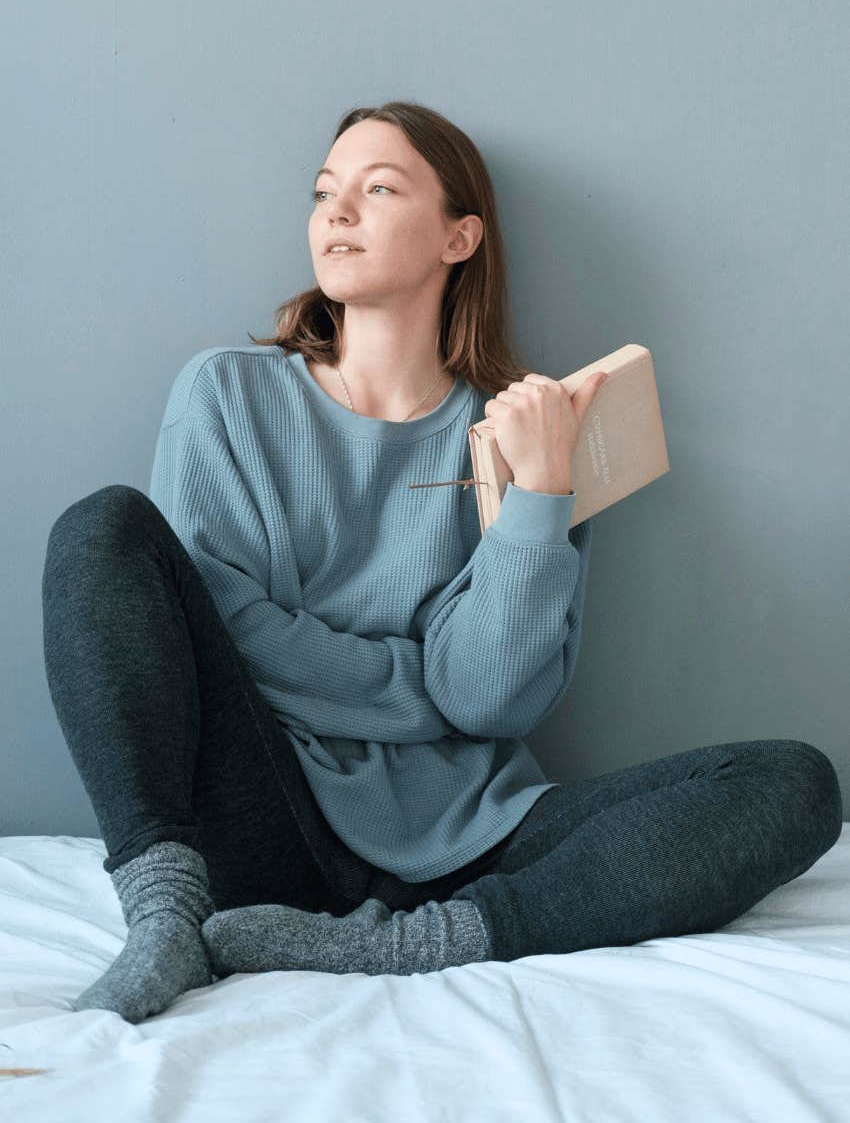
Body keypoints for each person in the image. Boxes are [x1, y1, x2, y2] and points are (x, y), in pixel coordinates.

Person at [42, 102, 843, 1025]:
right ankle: (165, 923)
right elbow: (232, 632)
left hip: (476, 837)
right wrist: (417, 683)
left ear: (458, 236)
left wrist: (540, 496)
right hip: (268, 817)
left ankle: (423, 944)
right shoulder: (224, 396)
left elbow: (488, 701)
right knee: (102, 530)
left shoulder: (527, 433)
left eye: (377, 189)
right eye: (324, 193)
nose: (336, 213)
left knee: (793, 781)